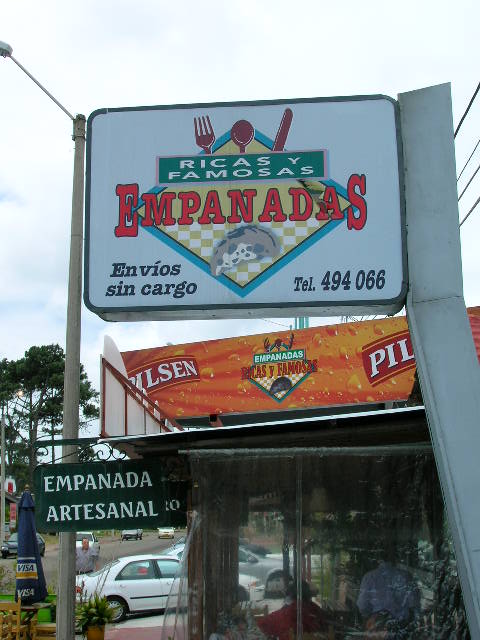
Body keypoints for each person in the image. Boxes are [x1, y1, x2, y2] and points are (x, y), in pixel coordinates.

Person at [357, 553, 420, 639]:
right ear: (396, 558)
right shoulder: (406, 576)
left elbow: (362, 606)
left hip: (377, 629)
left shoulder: (369, 577)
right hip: (401, 629)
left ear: (378, 560)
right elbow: (414, 605)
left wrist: (372, 617)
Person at [257, 581, 329, 640]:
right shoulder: (316, 611)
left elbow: (261, 626)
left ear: (290, 596)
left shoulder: (284, 614)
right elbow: (327, 630)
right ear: (309, 595)